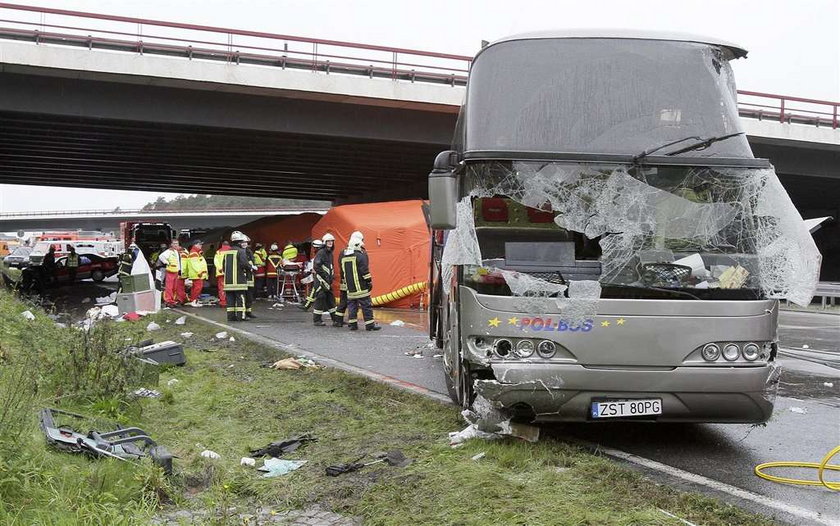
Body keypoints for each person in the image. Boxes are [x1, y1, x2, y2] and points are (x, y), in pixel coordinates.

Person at [341, 235, 381, 331]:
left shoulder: (344, 257)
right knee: (366, 305)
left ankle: (353, 325)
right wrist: (369, 281)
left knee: (352, 306)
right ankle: (370, 325)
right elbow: (364, 271)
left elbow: (343, 273)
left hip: (350, 288)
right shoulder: (360, 256)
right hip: (361, 287)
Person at [312, 233, 341, 327]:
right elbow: (317, 265)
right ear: (324, 242)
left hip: (327, 280)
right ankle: (317, 320)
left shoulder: (329, 253)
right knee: (320, 298)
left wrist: (330, 278)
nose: (330, 243)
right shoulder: (321, 252)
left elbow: (330, 267)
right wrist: (325, 276)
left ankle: (335, 320)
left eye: (331, 241)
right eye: (328, 241)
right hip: (321, 280)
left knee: (330, 300)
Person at [220, 231, 251, 321]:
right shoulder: (241, 252)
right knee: (240, 298)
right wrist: (251, 267)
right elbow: (244, 264)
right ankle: (241, 316)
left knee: (230, 300)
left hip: (228, 282)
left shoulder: (227, 252)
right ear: (239, 242)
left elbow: (224, 267)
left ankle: (231, 317)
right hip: (239, 281)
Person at [335, 231, 363, 326]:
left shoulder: (343, 252)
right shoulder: (356, 252)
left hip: (344, 280)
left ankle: (338, 320)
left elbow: (340, 265)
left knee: (344, 301)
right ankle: (351, 322)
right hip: (354, 282)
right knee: (353, 302)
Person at [161, 239, 188, 307]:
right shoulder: (168, 251)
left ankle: (172, 300)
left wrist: (179, 270)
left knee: (174, 287)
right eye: (174, 243)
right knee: (169, 287)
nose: (176, 245)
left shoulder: (176, 252)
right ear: (171, 244)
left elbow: (178, 262)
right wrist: (167, 262)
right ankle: (169, 301)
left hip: (176, 271)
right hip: (170, 271)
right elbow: (161, 257)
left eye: (177, 243)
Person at [299, 239, 323, 310]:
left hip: (319, 275)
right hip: (321, 275)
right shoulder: (322, 254)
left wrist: (314, 270)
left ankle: (306, 305)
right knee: (318, 291)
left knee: (314, 290)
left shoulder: (320, 255)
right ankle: (306, 304)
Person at [185, 239, 208, 306]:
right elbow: (195, 264)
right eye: (199, 244)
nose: (201, 245)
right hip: (197, 274)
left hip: (197, 274)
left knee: (195, 288)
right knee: (198, 287)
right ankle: (194, 300)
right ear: (195, 245)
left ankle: (194, 300)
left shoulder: (196, 252)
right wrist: (199, 272)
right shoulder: (194, 253)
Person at [214, 240, 230, 309]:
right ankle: (230, 301)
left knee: (222, 288)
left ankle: (223, 302)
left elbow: (216, 261)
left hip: (221, 273)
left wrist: (220, 268)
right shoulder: (232, 250)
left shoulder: (218, 252)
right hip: (230, 273)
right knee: (229, 287)